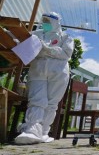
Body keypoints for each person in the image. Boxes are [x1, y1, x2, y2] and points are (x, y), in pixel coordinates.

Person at [15, 12, 74, 144]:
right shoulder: (36, 34)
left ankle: (43, 132)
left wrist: (47, 48)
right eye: (44, 20)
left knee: (52, 102)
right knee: (36, 99)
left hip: (58, 71)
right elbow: (22, 42)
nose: (46, 23)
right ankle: (31, 130)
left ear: (57, 22)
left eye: (49, 21)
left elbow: (66, 53)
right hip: (38, 69)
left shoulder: (66, 37)